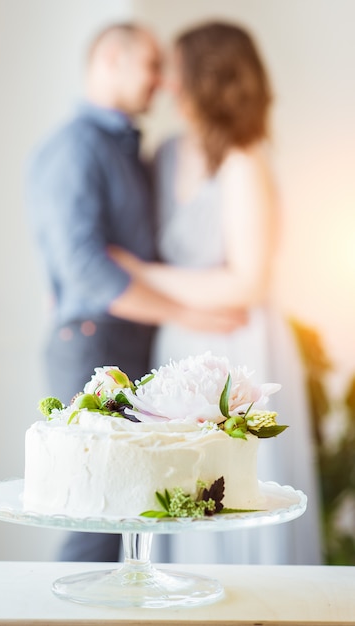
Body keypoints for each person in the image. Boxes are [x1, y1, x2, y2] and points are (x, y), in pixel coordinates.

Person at [26, 22, 247, 563]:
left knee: (131, 510)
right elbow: (86, 270)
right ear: (109, 59)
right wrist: (186, 313)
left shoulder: (126, 148)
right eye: (151, 64)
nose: (160, 80)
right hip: (95, 345)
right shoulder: (77, 146)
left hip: (124, 343)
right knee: (97, 512)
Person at [111, 21, 323, 565]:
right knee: (175, 490)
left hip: (237, 347)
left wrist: (138, 272)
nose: (167, 84)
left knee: (231, 492)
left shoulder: (245, 159)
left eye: (177, 70)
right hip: (178, 341)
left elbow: (249, 282)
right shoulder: (164, 154)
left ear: (205, 77)